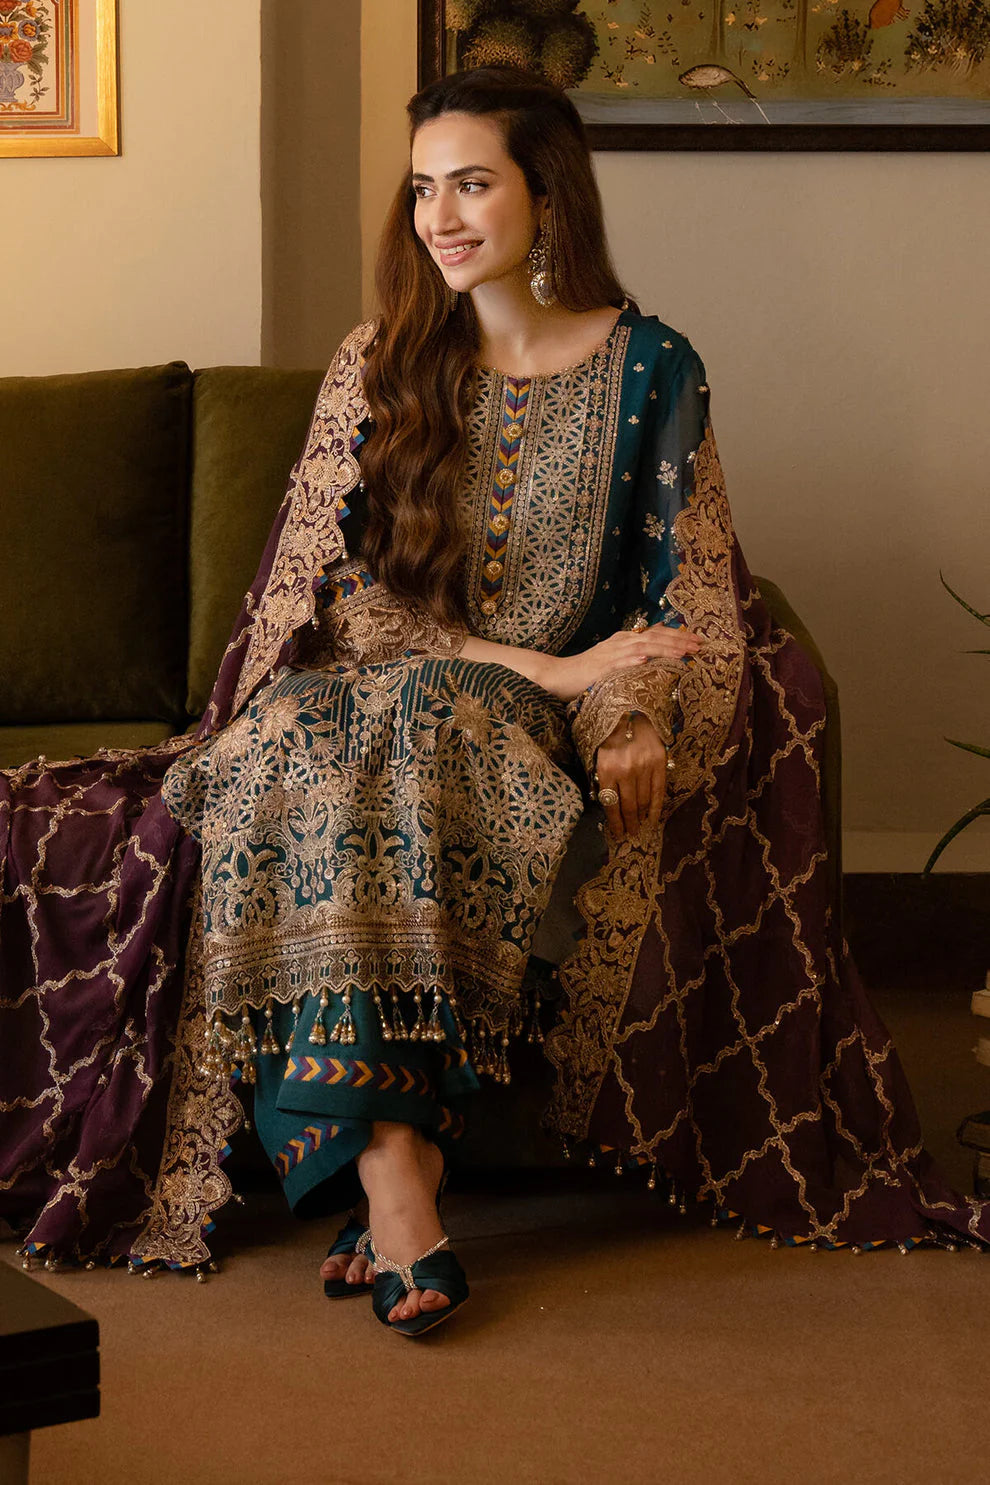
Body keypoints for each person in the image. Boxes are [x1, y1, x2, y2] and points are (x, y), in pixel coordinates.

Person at [1, 67, 986, 1334]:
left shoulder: (653, 369)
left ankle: (381, 1185)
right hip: (364, 699)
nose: (441, 218)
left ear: (548, 195)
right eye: (424, 189)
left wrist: (620, 708)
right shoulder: (381, 363)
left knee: (420, 728)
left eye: (472, 183)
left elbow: (685, 602)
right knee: (306, 732)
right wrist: (551, 665)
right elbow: (351, 610)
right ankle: (397, 1175)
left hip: (502, 729)